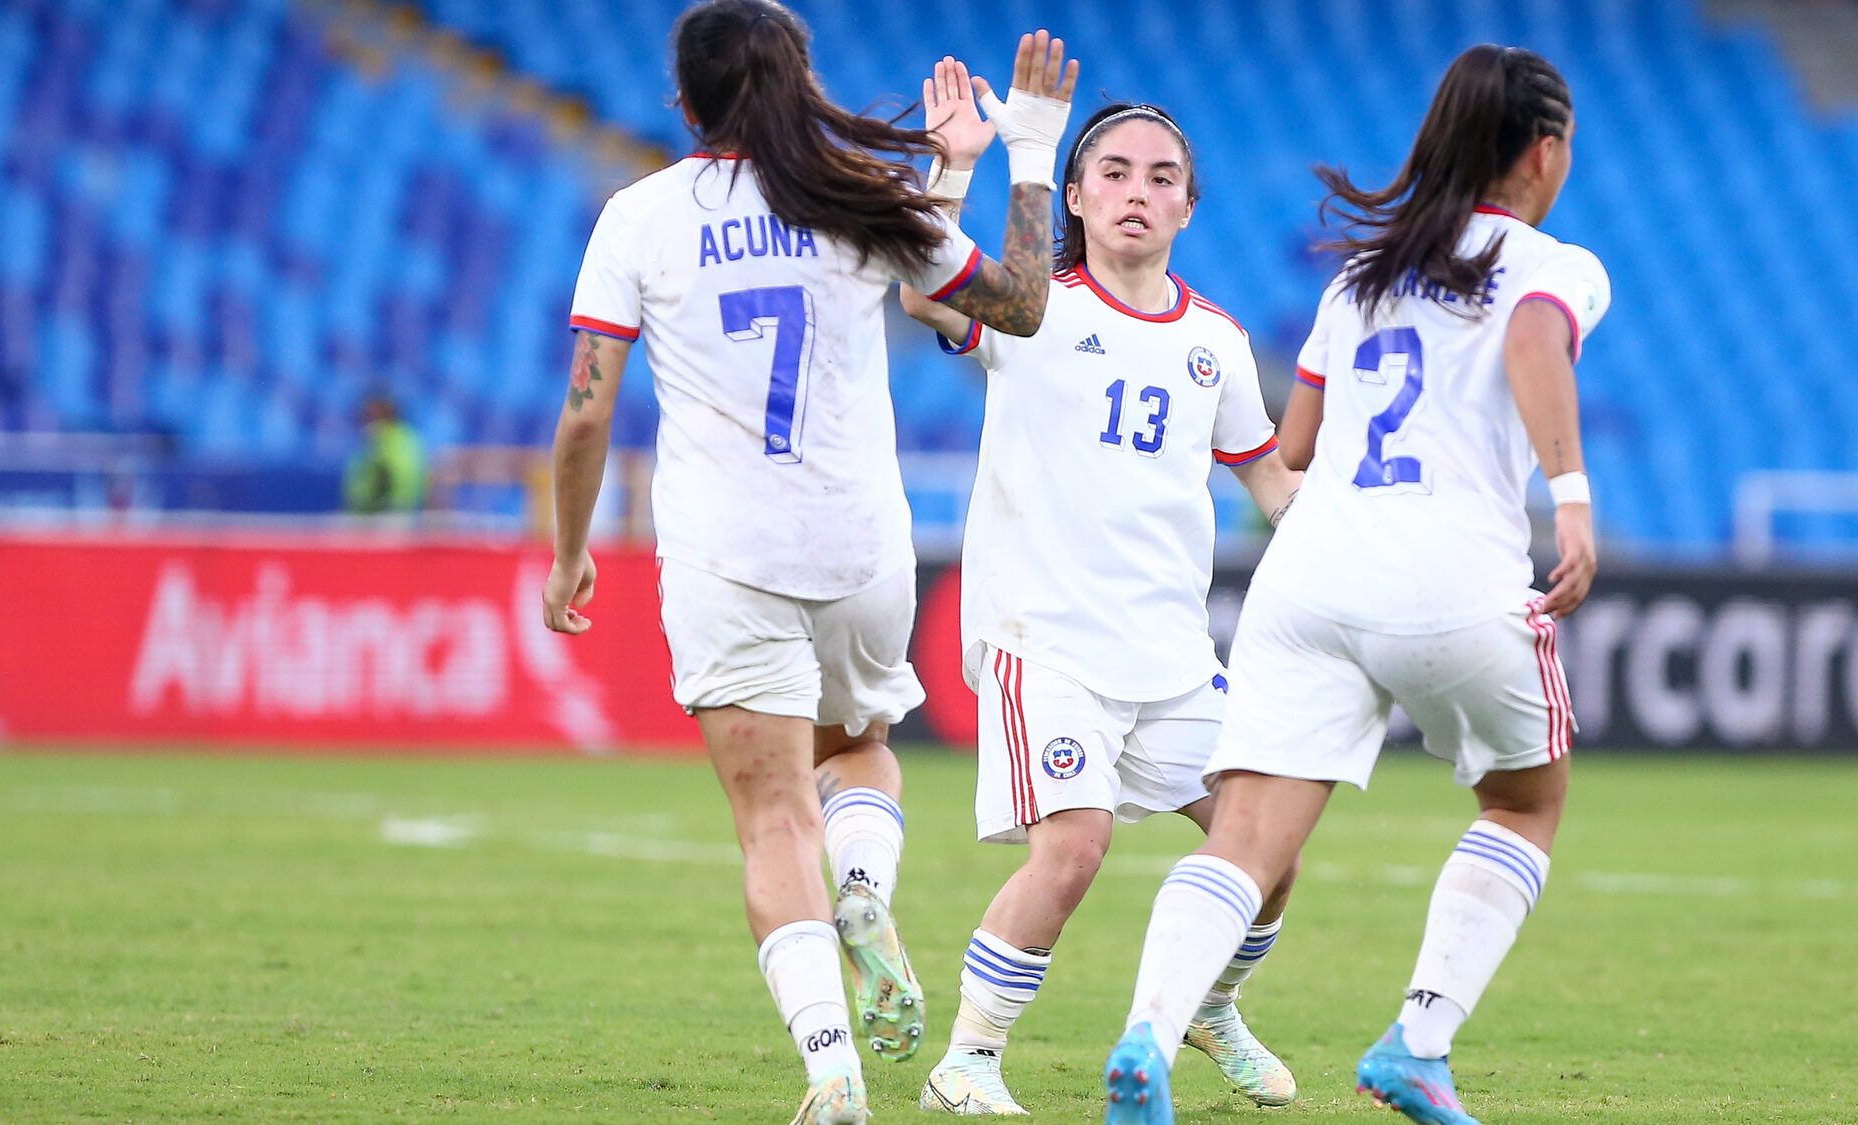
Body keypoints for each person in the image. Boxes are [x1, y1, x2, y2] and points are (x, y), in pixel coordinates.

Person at [540, 4, 1080, 1122]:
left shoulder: (636, 217)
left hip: (724, 555)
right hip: (860, 544)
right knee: (861, 750)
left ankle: (830, 1071)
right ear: (800, 84)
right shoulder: (855, 200)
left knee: (771, 817)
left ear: (680, 102)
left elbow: (585, 415)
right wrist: (1012, 152)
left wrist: (568, 553)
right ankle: (867, 890)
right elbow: (1009, 305)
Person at [1100, 44, 1610, 1125]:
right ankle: (1416, 1045)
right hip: (1451, 577)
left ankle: (1145, 1034)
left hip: (1312, 578)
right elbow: (1529, 335)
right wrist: (1566, 490)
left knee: (1244, 833)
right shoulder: (1550, 265)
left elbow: (1293, 441)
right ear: (1545, 150)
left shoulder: (1356, 277)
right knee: (1523, 802)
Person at [898, 78, 1305, 1116]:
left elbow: (1269, 486)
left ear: (1187, 207)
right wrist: (954, 166)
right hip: (1047, 640)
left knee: (1268, 843)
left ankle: (1209, 1006)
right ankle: (969, 1059)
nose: (1136, 191)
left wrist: (1386, 525)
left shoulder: (1211, 341)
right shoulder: (1032, 305)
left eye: (1160, 177)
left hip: (1169, 654)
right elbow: (921, 292)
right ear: (1073, 195)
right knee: (1073, 845)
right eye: (1113, 172)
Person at [342, 393, 426, 513]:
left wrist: (380, 502)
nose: (367, 419)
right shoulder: (407, 436)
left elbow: (395, 474)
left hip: (387, 511)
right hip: (374, 510)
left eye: (372, 414)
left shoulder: (389, 438)